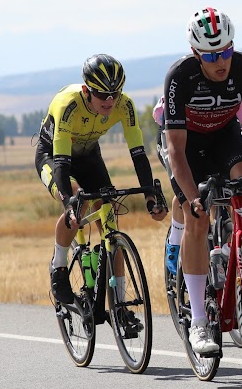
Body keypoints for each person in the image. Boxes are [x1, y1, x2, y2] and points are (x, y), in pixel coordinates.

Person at [163, 6, 242, 355]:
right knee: (198, 217)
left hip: (224, 137)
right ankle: (200, 324)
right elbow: (175, 149)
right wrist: (192, 199)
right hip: (188, 145)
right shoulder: (180, 76)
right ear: (196, 53)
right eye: (211, 55)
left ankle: (238, 244)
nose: (221, 61)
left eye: (226, 51)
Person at [35, 54, 167, 326]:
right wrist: (69, 202)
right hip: (53, 156)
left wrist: (150, 194)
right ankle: (58, 267)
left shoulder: (124, 105)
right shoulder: (68, 105)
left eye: (114, 94)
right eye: (102, 94)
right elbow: (61, 161)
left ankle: (119, 306)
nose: (109, 100)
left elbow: (139, 154)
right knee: (77, 199)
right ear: (87, 90)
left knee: (109, 221)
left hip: (89, 156)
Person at [153, 96, 242, 277]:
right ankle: (175, 240)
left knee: (225, 185)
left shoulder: (233, 94)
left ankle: (226, 242)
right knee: (187, 193)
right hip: (179, 134)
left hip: (215, 136)